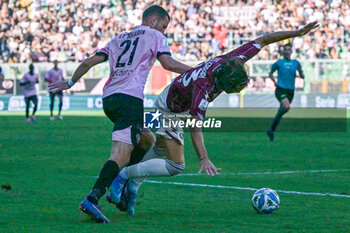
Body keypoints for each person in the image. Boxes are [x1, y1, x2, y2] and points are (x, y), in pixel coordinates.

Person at [108, 22, 319, 216]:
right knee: (176, 166)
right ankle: (124, 176)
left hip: (175, 97)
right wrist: (203, 158)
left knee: (162, 149)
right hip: (171, 109)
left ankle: (132, 187)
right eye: (237, 88)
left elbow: (263, 40)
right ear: (225, 84)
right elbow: (195, 127)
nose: (238, 90)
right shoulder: (204, 89)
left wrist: (296, 33)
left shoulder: (235, 60)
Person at [49, 5, 192, 223]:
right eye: (163, 26)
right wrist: (196, 70)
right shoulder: (155, 36)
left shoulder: (119, 38)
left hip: (110, 99)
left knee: (147, 139)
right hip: (129, 100)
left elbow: (89, 62)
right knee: (120, 154)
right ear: (154, 21)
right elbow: (167, 63)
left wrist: (70, 82)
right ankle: (92, 198)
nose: (164, 32)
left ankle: (122, 187)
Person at [267, 43, 305, 141]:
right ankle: (271, 129)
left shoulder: (296, 63)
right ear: (283, 52)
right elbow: (270, 73)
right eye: (285, 49)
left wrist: (302, 75)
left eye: (289, 49)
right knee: (286, 106)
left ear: (291, 51)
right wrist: (274, 82)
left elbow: (301, 73)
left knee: (283, 110)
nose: (287, 51)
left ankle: (271, 130)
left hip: (291, 91)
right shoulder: (279, 63)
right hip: (281, 89)